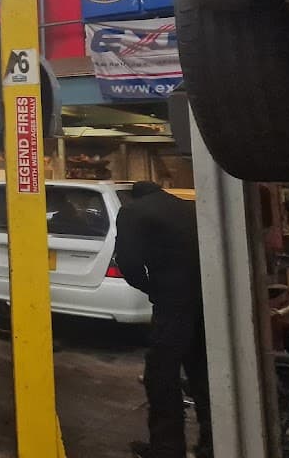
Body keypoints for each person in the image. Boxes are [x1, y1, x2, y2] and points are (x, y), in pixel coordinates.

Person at [115, 181, 211, 458]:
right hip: (206, 299)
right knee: (202, 373)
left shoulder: (134, 212)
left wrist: (150, 287)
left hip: (172, 303)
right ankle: (212, 443)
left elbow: (130, 262)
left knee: (161, 375)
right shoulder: (188, 208)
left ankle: (167, 449)